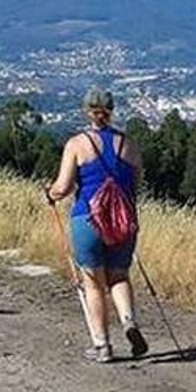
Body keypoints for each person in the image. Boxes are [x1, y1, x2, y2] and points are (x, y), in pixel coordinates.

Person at [46, 88, 149, 363]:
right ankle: (129, 322)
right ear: (111, 110)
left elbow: (63, 187)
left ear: (87, 111)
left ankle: (102, 346)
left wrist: (50, 193)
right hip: (123, 222)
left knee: (93, 284)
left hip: (87, 220)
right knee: (119, 276)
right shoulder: (129, 145)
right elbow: (135, 185)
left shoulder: (77, 144)